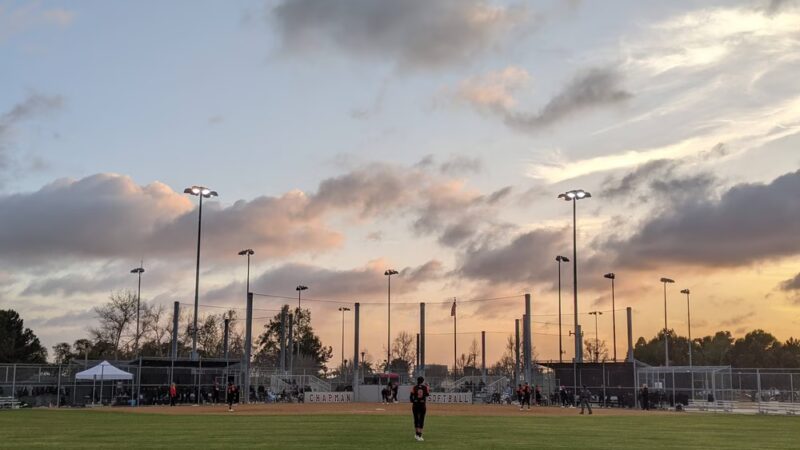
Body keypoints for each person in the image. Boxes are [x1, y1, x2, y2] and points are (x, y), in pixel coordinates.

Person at [410, 377, 430, 441]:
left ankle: (416, 434)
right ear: (422, 381)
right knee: (421, 419)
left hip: (415, 405)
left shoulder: (414, 387)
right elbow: (427, 394)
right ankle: (420, 435)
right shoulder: (425, 387)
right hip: (422, 405)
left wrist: (414, 401)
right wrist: (427, 387)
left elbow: (411, 396)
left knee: (416, 419)